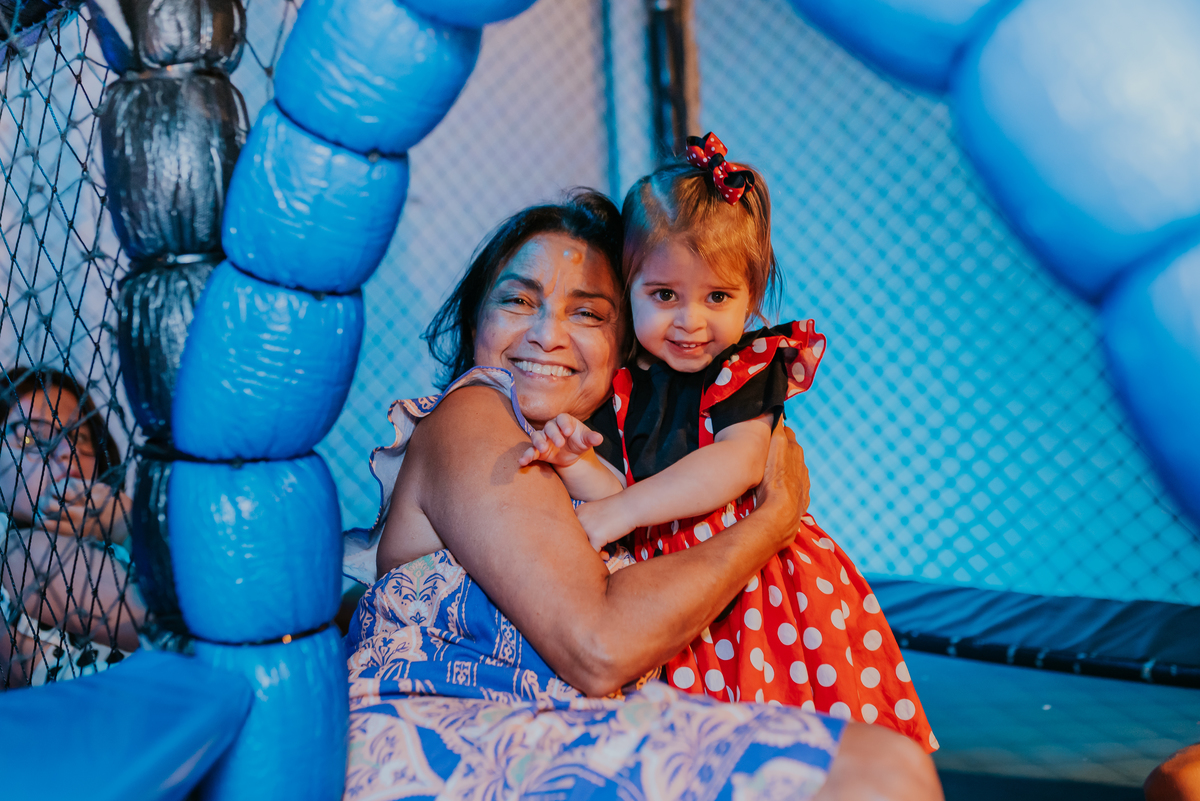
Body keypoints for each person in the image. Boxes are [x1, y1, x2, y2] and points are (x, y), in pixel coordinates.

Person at [343, 190, 940, 799]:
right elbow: (598, 647)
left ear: (625, 345)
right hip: (454, 729)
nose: (547, 335)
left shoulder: (606, 460)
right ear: (477, 322)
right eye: (519, 301)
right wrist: (774, 518)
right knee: (879, 775)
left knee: (881, 763)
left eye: (587, 313)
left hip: (570, 728)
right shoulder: (475, 415)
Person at [515, 133, 936, 751]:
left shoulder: (744, 367)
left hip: (761, 584)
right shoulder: (621, 383)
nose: (690, 321)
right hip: (667, 582)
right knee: (698, 741)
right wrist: (574, 458)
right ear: (628, 291)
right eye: (664, 296)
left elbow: (738, 462)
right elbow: (612, 489)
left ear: (752, 299)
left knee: (790, 724)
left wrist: (622, 511)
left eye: (717, 296)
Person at [0, 366, 144, 687]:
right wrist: (125, 521)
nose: (68, 452)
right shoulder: (17, 552)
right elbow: (190, 617)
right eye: (31, 436)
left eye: (81, 437)